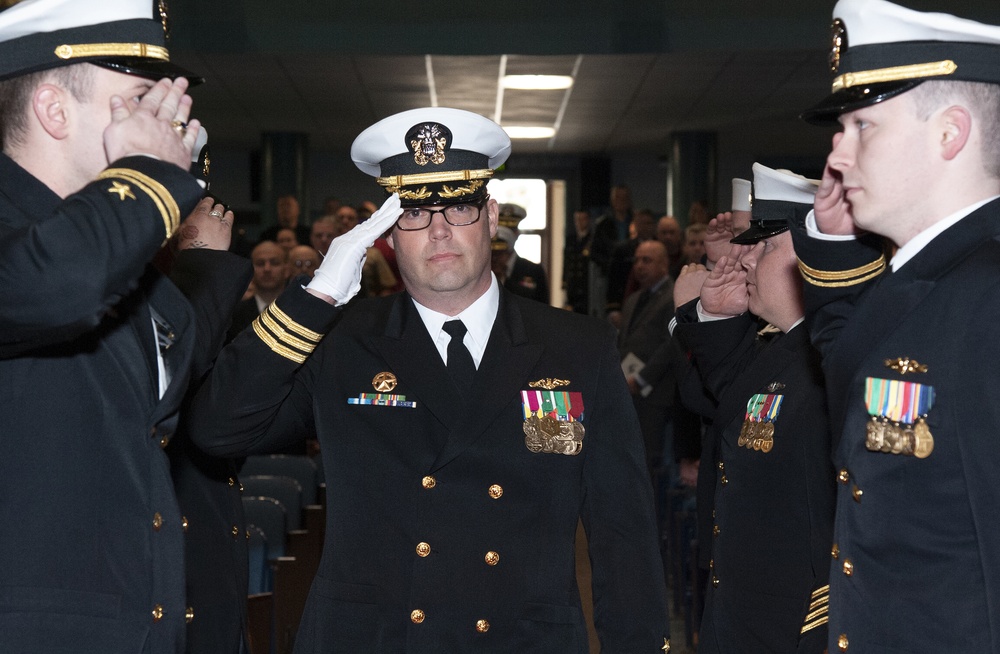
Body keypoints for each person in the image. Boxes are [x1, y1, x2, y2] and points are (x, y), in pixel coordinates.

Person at [191, 106, 671, 652]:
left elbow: (621, 532)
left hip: (520, 639)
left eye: (459, 207)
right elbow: (217, 431)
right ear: (386, 234)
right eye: (414, 214)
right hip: (373, 639)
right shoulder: (342, 341)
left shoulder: (577, 347)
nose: (439, 230)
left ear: (491, 216)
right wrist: (315, 297)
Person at [0, 1, 251, 651]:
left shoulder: (125, 263)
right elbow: (54, 287)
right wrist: (151, 178)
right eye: (142, 100)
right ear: (54, 110)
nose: (172, 122)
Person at [793, 2, 1000, 651]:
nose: (836, 153)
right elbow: (851, 362)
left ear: (949, 133)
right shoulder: (923, 281)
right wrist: (829, 244)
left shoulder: (987, 297)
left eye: (861, 126)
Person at [673, 164, 835, 653]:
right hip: (745, 611)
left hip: (790, 622)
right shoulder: (790, 351)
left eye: (765, 246)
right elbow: (730, 401)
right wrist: (711, 318)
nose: (745, 261)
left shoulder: (830, 362)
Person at [617, 240, 677, 477]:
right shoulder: (633, 299)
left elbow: (671, 344)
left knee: (650, 462)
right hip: (628, 389)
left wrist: (641, 379)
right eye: (637, 260)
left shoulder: (673, 296)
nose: (639, 266)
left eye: (647, 260)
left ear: (664, 264)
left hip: (656, 393)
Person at [227, 240, 288, 342]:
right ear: (250, 270)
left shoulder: (300, 312)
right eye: (260, 263)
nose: (267, 269)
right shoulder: (233, 315)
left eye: (274, 263)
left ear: (287, 270)